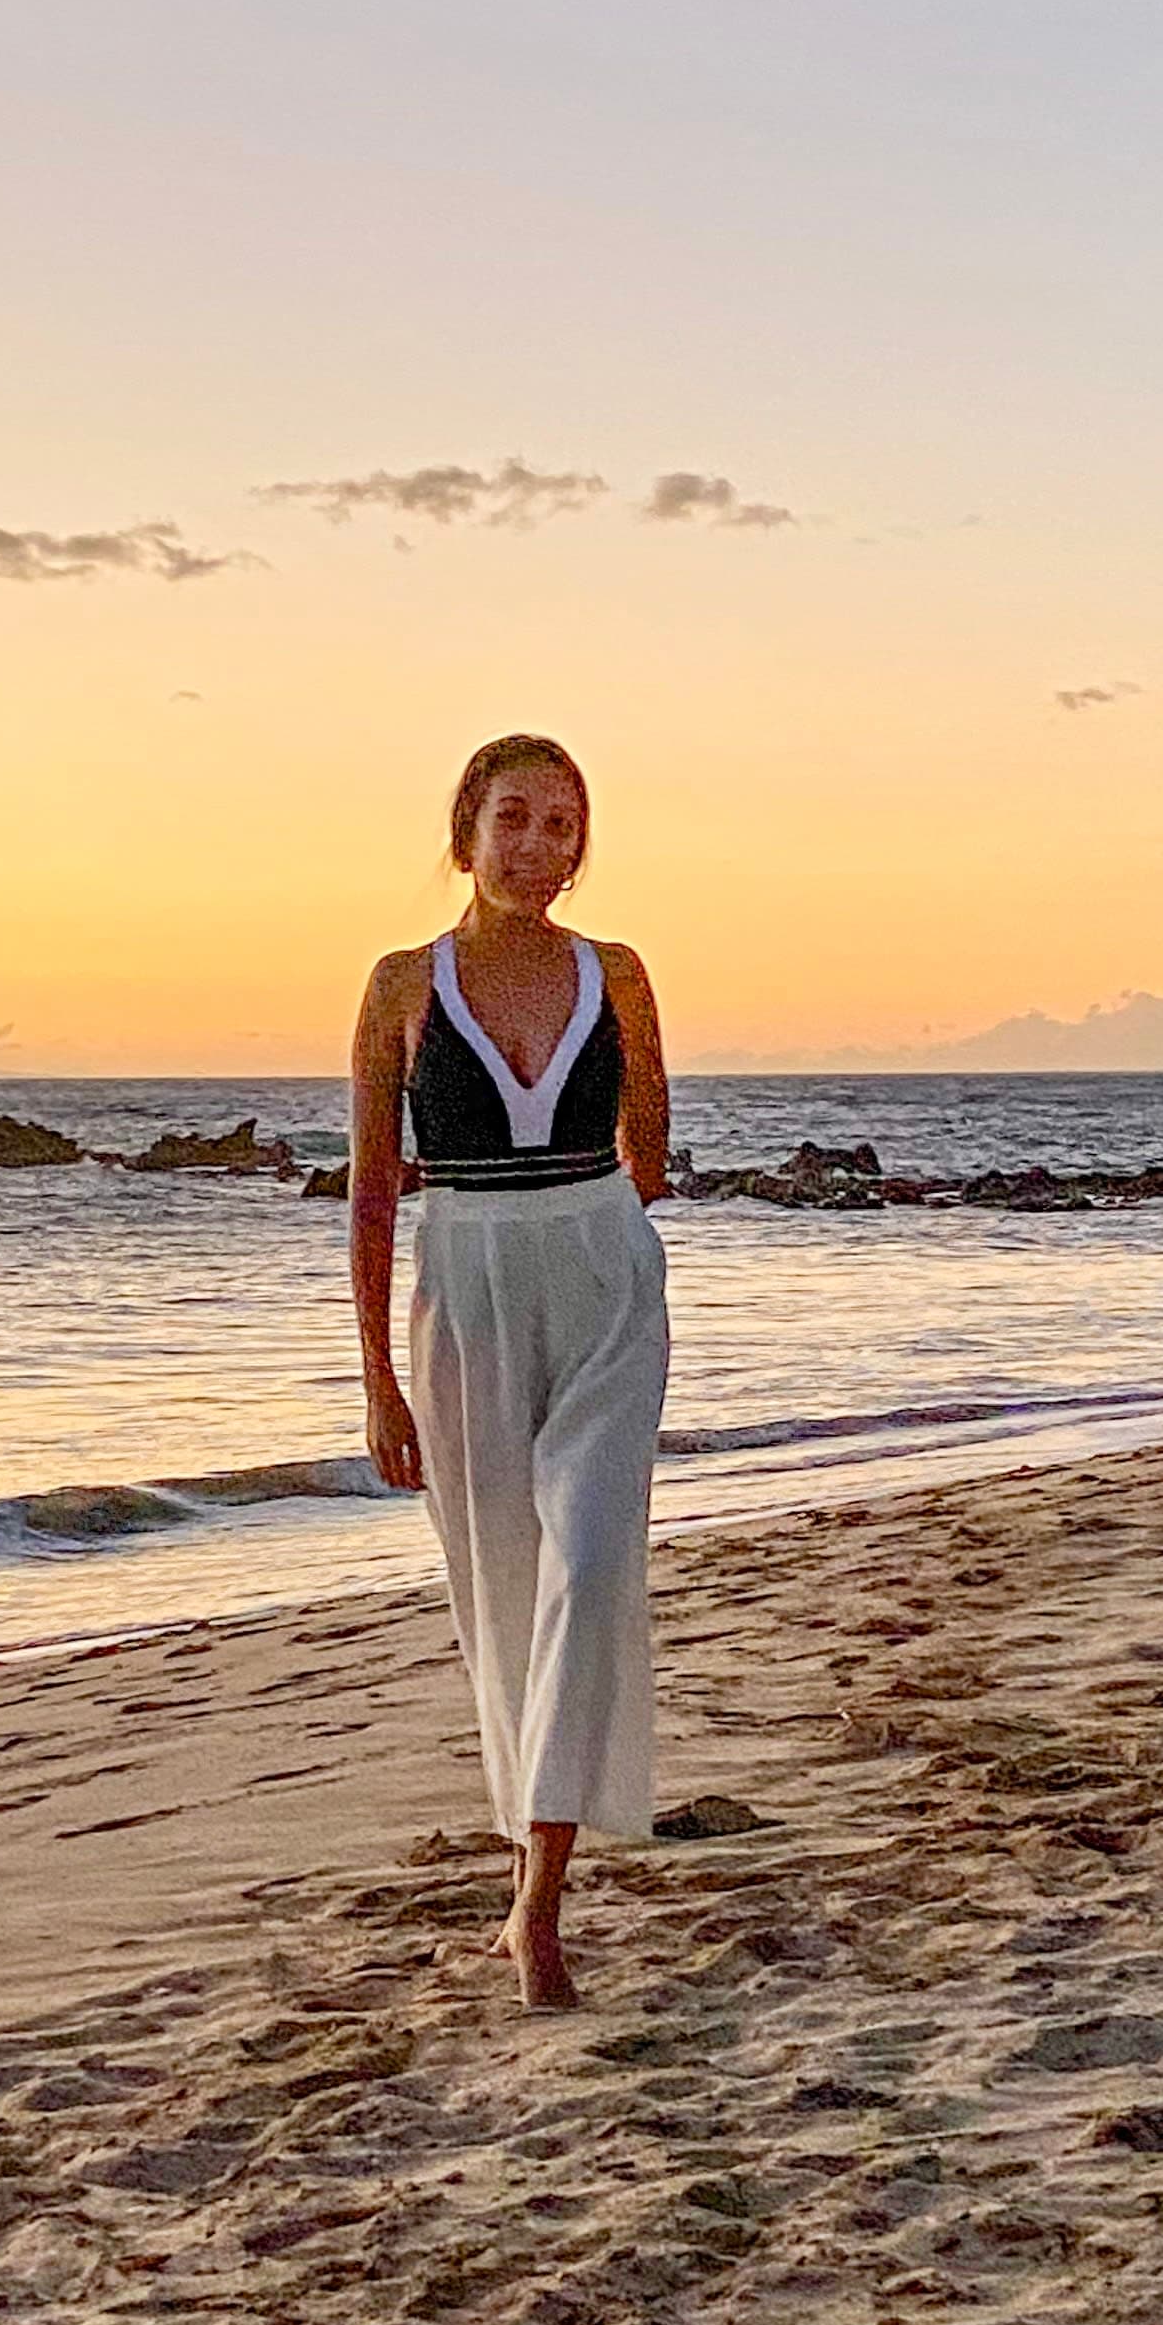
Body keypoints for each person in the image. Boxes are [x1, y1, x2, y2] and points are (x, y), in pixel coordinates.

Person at [349, 734, 671, 2007]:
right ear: (466, 829)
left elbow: (649, 1145)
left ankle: (540, 1904)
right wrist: (377, 1375)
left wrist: (591, 1240)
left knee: (590, 1572)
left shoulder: (622, 976)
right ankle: (527, 1876)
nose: (542, 848)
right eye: (518, 821)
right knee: (499, 1596)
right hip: (462, 1291)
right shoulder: (399, 986)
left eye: (564, 825)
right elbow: (375, 1188)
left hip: (601, 1282)